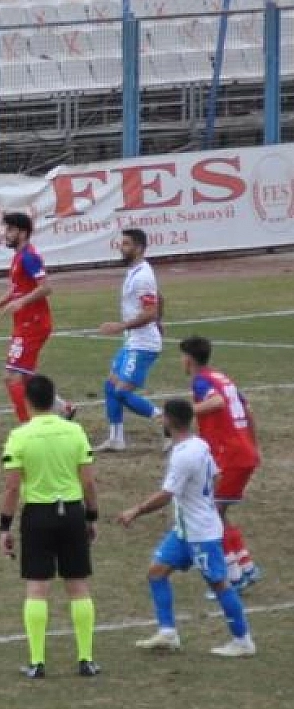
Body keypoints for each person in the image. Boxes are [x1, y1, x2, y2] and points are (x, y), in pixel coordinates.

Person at [116, 397, 256, 657]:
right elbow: (216, 476)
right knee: (156, 573)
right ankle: (168, 633)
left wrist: (135, 511)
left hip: (201, 533)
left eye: (163, 417)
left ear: (169, 420)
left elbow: (166, 495)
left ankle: (243, 641)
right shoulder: (199, 444)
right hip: (185, 530)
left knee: (219, 584)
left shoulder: (183, 455)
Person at [0, 374, 100, 680]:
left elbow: (12, 488)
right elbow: (88, 482)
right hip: (72, 513)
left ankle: (37, 662)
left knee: (37, 588)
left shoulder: (19, 436)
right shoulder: (75, 431)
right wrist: (91, 516)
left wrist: (4, 527)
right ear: (54, 399)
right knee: (78, 586)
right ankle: (86, 660)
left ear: (26, 401)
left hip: (37, 517)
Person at [181, 337, 262, 590]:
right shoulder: (222, 377)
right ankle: (246, 566)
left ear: (189, 359)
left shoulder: (201, 381)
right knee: (219, 511)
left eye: (182, 356)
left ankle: (233, 576)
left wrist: (184, 413)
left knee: (211, 514)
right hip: (243, 452)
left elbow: (216, 402)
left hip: (230, 455)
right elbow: (248, 410)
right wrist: (254, 445)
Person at [0, 211, 74, 422]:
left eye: (10, 230)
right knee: (24, 374)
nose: (6, 234)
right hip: (25, 323)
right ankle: (63, 408)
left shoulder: (29, 257)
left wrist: (21, 302)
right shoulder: (19, 257)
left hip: (33, 324)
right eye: (6, 229)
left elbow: (46, 287)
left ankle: (27, 425)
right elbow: (16, 289)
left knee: (12, 376)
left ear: (22, 233)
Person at [95, 229, 162, 452]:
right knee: (110, 386)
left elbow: (150, 311)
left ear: (139, 248)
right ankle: (116, 439)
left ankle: (168, 423)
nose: (121, 248)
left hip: (143, 344)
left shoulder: (143, 276)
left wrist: (121, 326)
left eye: (126, 244)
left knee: (121, 391)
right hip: (133, 341)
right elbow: (157, 300)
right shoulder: (135, 271)